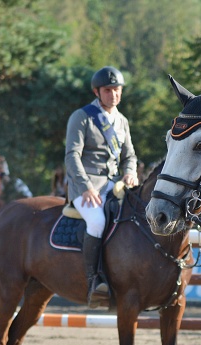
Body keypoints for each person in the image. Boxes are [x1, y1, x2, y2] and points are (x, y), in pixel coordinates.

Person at [65, 66, 138, 308]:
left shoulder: (122, 121)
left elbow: (129, 156)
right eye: (108, 90)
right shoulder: (82, 116)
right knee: (96, 221)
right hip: (86, 186)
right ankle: (94, 282)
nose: (114, 95)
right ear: (97, 91)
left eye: (117, 90)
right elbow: (72, 156)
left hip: (114, 184)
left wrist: (129, 172)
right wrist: (85, 186)